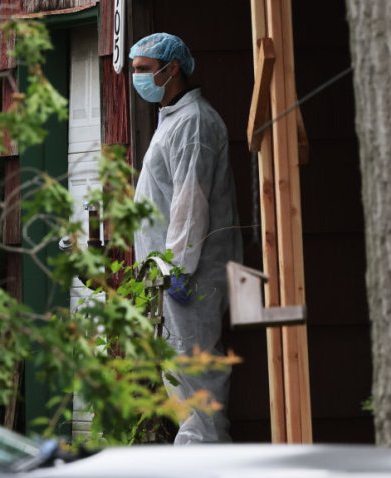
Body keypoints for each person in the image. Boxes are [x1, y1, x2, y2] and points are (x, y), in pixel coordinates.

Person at [130, 32, 243, 444]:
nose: (136, 78)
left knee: (197, 400)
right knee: (187, 396)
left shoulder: (194, 122)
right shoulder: (177, 119)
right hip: (177, 281)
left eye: (142, 69)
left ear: (171, 67)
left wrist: (175, 270)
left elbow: (190, 203)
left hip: (188, 282)